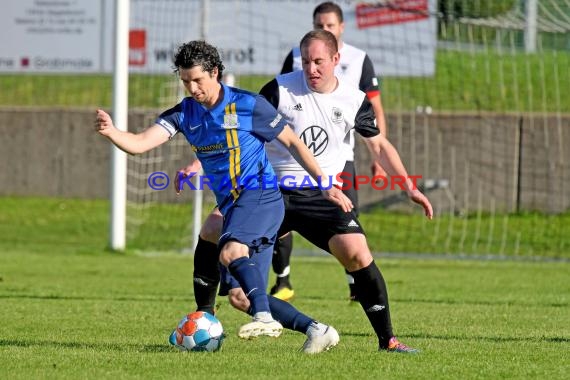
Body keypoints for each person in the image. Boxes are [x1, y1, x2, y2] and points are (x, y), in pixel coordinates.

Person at [185, 30, 433, 353]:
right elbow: (234, 131)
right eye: (305, 61)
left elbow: (379, 146)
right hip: (268, 191)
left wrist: (409, 187)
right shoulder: (278, 89)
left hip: (322, 194)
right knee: (217, 241)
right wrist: (198, 163)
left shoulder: (354, 100)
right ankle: (205, 318)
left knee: (357, 251)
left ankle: (388, 340)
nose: (311, 69)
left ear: (335, 60)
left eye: (318, 61)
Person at [94, 40, 350, 353]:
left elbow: (293, 141)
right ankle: (316, 329)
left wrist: (324, 183)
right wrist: (112, 132)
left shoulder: (247, 104)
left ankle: (264, 316)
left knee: (229, 251)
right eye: (185, 81)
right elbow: (139, 143)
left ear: (215, 73)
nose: (192, 88)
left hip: (260, 196)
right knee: (235, 286)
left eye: (198, 80)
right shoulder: (185, 113)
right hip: (233, 205)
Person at [272, 1, 388, 302]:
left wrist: (379, 156)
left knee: (347, 219)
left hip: (340, 157)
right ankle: (282, 280)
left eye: (329, 25)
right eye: (319, 24)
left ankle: (355, 283)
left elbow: (373, 109)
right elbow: (278, 105)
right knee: (278, 222)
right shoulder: (297, 57)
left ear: (341, 28)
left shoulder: (359, 59)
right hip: (291, 161)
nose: (324, 29)